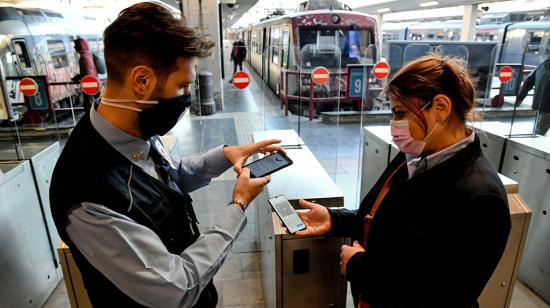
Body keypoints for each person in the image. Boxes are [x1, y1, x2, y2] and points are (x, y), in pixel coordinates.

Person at [49, 3, 283, 307]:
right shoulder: (88, 194)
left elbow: (170, 175)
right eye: (182, 85)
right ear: (143, 81)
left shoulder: (135, 127)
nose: (187, 97)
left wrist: (226, 155)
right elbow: (177, 288)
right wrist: (237, 206)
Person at [296, 54, 511, 307]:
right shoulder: (414, 154)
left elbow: (446, 295)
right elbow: (392, 220)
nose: (394, 125)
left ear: (440, 107)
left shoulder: (482, 198)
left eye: (400, 112)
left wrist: (360, 268)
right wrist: (336, 218)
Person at [515, 56, 550, 136]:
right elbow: (528, 83)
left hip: (543, 107)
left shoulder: (542, 65)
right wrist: (520, 98)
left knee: (538, 133)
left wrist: (520, 98)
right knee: (538, 133)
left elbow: (527, 83)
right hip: (546, 109)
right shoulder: (542, 65)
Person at [73, 38, 99, 112]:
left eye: (76, 45)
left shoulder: (83, 57)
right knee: (96, 105)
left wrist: (78, 78)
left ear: (80, 46)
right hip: (94, 83)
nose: (74, 47)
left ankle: (92, 122)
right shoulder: (88, 54)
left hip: (89, 85)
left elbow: (88, 73)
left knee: (89, 108)